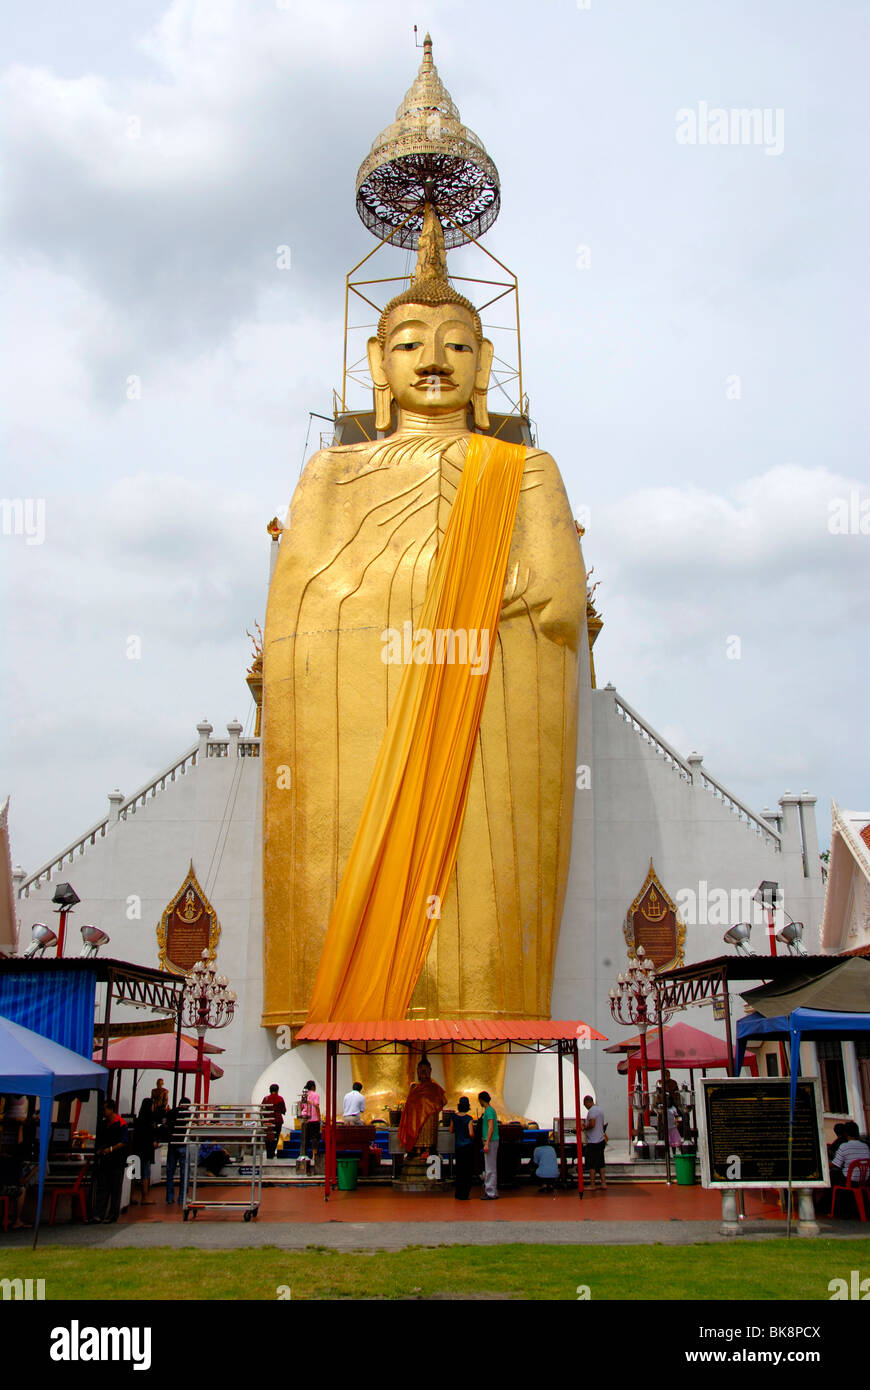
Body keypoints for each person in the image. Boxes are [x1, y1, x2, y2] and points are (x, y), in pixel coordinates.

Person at [262, 57, 586, 1121]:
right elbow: (298, 602)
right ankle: (380, 1072)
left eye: (456, 344)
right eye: (410, 342)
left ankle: (484, 1079)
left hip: (486, 714)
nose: (433, 358)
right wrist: (396, 597)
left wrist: (509, 597)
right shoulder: (331, 471)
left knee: (486, 878)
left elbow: (557, 599)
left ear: (485, 363)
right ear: (375, 357)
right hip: (365, 714)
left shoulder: (522, 469)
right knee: (363, 867)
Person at [398, 1058, 446, 1156]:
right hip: (419, 1120)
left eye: (425, 1070)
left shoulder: (435, 1088)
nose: (423, 1073)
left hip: (427, 1122)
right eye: (421, 1070)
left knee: (427, 1133)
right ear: (417, 1071)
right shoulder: (416, 1088)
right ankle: (420, 1149)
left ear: (430, 1071)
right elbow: (409, 1105)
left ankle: (426, 1149)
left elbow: (443, 1101)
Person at [92, 1099, 129, 1223]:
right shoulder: (104, 1123)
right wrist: (101, 1150)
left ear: (111, 1109)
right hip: (105, 1160)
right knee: (103, 1187)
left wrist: (111, 1149)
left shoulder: (121, 1123)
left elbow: (124, 1141)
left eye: (105, 1109)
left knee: (115, 1188)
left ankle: (112, 1215)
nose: (104, 1111)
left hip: (117, 1160)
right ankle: (99, 1214)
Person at [130, 1098, 157, 1205]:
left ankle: (130, 1197)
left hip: (136, 1150)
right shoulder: (149, 1121)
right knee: (145, 1174)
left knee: (133, 1175)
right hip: (146, 1151)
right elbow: (150, 1135)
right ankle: (145, 1197)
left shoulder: (138, 1120)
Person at [164, 1097, 190, 1204]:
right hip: (183, 1144)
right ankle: (182, 1197)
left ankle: (170, 1197)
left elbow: (165, 1125)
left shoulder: (170, 1113)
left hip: (172, 1144)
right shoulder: (188, 1113)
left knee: (170, 1172)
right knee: (184, 1173)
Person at [829, 1121, 870, 1187]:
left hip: (850, 1181)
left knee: (832, 1174)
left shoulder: (844, 1146)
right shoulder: (865, 1146)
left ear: (845, 1133)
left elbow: (835, 1164)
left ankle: (832, 1196)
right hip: (865, 1180)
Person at [450, 1097, 474, 1200]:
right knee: (467, 1170)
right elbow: (471, 1133)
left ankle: (458, 1193)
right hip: (467, 1145)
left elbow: (451, 1130)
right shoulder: (469, 1118)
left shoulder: (453, 1117)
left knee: (459, 1169)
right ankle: (465, 1193)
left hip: (458, 1145)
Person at [583, 1094, 607, 1190]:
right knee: (601, 1163)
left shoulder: (592, 1111)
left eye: (585, 1105)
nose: (585, 1107)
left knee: (591, 1164)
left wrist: (585, 1127)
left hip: (593, 1141)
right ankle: (603, 1183)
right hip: (601, 1139)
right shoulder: (600, 1109)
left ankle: (592, 1184)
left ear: (588, 1102)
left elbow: (592, 1124)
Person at [478, 1091, 499, 1199]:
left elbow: (491, 1127)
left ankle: (490, 1191)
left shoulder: (489, 1111)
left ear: (481, 1100)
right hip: (490, 1140)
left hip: (490, 1140)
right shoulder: (489, 1110)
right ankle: (492, 1190)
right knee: (490, 1166)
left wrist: (487, 1143)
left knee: (490, 1167)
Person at [261, 1084, 287, 1159]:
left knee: (268, 1137)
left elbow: (262, 1108)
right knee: (276, 1136)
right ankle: (272, 1152)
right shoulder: (280, 1099)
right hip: (277, 1120)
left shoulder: (266, 1098)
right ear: (277, 1090)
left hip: (268, 1121)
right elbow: (283, 1110)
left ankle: (269, 1153)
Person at [300, 1080, 321, 1168]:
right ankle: (314, 1155)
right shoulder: (315, 1095)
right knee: (314, 1137)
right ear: (313, 1087)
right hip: (314, 1118)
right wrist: (319, 1117)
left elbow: (301, 1106)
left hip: (305, 1118)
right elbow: (316, 1106)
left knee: (305, 1137)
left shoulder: (304, 1095)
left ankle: (303, 1155)